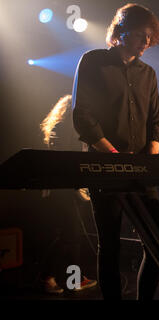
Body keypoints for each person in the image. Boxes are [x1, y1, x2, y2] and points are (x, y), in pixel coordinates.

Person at [72, 3, 159, 300]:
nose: (146, 42)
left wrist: (152, 151)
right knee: (109, 243)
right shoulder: (93, 61)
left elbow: (156, 118)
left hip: (141, 168)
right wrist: (111, 153)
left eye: (150, 37)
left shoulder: (148, 73)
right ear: (121, 32)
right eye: (141, 35)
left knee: (157, 244)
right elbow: (82, 114)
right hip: (105, 166)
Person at [39, 95, 97, 294]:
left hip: (64, 188)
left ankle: (48, 277)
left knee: (66, 237)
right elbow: (66, 159)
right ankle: (72, 280)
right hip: (62, 188)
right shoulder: (66, 128)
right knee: (71, 237)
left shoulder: (63, 127)